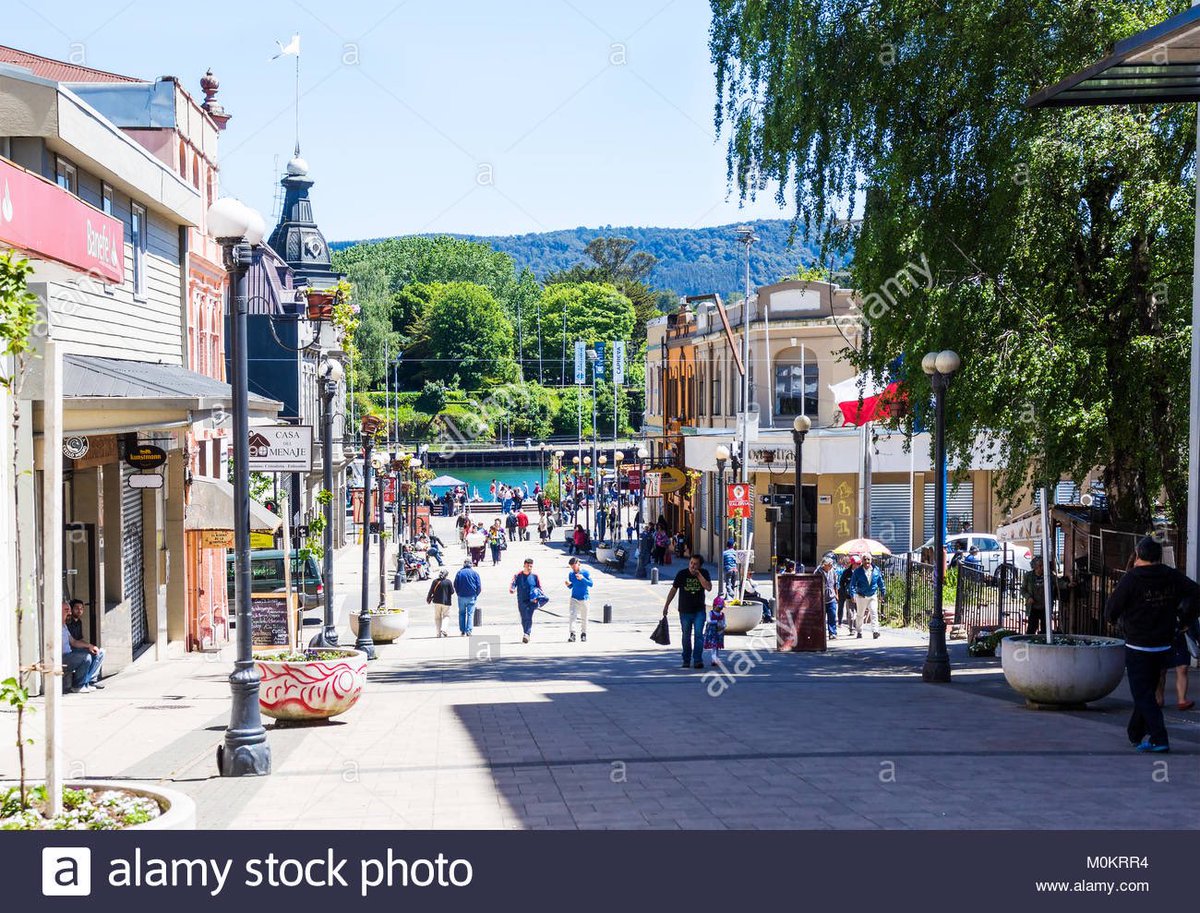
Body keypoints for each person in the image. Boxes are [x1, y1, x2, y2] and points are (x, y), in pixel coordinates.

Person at [1105, 536, 1200, 752]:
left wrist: (1116, 622)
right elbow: (1195, 592)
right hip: (1163, 642)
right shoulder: (1170, 576)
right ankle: (1135, 732)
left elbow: (1112, 609)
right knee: (1147, 689)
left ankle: (1159, 737)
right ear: (1158, 556)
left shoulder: (1132, 578)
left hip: (1139, 643)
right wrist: (1184, 619)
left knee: (1142, 693)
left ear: (1138, 554)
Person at [662, 554, 713, 669]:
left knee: (699, 636)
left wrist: (699, 575)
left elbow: (708, 587)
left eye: (695, 564)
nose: (692, 566)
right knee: (686, 636)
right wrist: (666, 605)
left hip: (699, 610)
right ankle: (686, 659)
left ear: (700, 566)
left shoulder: (704, 573)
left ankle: (698, 660)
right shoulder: (682, 574)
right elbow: (673, 590)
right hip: (685, 611)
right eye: (691, 563)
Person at [62, 601, 104, 692]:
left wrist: (90, 646)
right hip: (63, 657)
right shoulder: (55, 626)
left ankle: (89, 681)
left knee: (98, 653)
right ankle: (78, 685)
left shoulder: (64, 626)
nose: (69, 613)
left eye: (69, 610)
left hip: (70, 653)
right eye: (66, 610)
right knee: (86, 657)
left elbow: (73, 641)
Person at [1156, 622, 1195, 712]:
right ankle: (1159, 698)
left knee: (1183, 667)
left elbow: (1192, 611)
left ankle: (1182, 700)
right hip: (1161, 634)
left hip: (1180, 633)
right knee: (1160, 669)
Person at [1020, 556, 1060, 638]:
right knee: (1031, 628)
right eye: (1040, 566)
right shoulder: (1028, 576)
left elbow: (1058, 582)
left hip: (1045, 607)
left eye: (1043, 566)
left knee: (1045, 629)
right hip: (1033, 607)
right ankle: (1030, 643)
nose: (1042, 568)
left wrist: (1067, 585)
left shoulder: (1048, 575)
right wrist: (1028, 597)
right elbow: (1023, 590)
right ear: (1035, 566)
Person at [850, 553, 885, 639]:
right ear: (862, 561)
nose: (867, 561)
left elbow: (880, 582)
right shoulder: (858, 571)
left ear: (871, 560)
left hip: (872, 595)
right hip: (861, 596)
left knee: (874, 613)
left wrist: (883, 592)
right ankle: (859, 631)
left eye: (868, 559)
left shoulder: (876, 570)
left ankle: (875, 631)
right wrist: (853, 594)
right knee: (860, 615)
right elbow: (852, 584)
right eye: (865, 559)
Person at [509, 558, 543, 643]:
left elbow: (540, 588)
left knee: (529, 617)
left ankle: (527, 633)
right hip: (521, 600)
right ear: (524, 565)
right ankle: (526, 632)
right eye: (528, 566)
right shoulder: (518, 575)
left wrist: (538, 598)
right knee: (524, 617)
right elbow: (513, 584)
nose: (529, 568)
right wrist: (512, 589)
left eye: (531, 566)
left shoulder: (535, 576)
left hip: (532, 600)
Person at [565, 556, 594, 642]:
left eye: (574, 566)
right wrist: (568, 585)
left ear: (578, 564)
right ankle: (572, 634)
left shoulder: (585, 573)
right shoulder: (571, 575)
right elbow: (572, 586)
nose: (573, 568)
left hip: (584, 598)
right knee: (572, 616)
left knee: (584, 617)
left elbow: (591, 584)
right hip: (574, 598)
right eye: (572, 566)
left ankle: (583, 634)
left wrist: (583, 578)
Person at [453, 558, 482, 636]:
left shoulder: (459, 573)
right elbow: (479, 586)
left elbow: (455, 584)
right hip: (471, 596)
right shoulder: (475, 573)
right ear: (471, 564)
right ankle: (469, 631)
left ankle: (462, 630)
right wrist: (476, 594)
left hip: (461, 596)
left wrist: (458, 593)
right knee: (470, 614)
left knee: (462, 613)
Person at [426, 570, 454, 638]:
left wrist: (428, 598)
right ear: (446, 575)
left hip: (437, 602)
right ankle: (443, 629)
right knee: (446, 616)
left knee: (437, 618)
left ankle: (438, 633)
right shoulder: (448, 582)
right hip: (446, 602)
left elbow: (431, 591)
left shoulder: (435, 581)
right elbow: (452, 592)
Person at [819, 555, 839, 639]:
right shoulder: (818, 571)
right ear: (824, 565)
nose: (831, 566)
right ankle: (821, 634)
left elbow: (835, 584)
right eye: (829, 565)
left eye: (831, 564)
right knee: (821, 617)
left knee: (832, 616)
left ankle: (832, 633)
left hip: (831, 597)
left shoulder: (833, 571)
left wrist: (836, 595)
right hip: (821, 597)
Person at [703, 596, 727, 666]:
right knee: (714, 645)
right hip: (712, 631)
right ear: (714, 606)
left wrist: (723, 625)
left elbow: (724, 622)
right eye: (719, 607)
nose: (720, 609)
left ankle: (716, 658)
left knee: (717, 646)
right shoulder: (711, 613)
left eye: (721, 607)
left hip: (719, 632)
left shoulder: (722, 615)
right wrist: (717, 622)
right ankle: (714, 659)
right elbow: (708, 621)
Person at [838, 555, 859, 633]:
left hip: (859, 595)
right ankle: (851, 629)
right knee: (850, 612)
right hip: (849, 595)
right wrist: (844, 591)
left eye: (859, 564)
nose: (858, 565)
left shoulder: (860, 572)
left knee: (859, 612)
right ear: (853, 563)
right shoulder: (846, 572)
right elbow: (841, 582)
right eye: (857, 563)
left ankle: (858, 627)